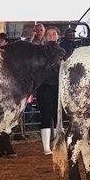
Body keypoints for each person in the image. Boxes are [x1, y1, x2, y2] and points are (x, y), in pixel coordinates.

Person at [36, 26, 61, 155]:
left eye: (54, 34)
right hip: (44, 85)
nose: (51, 36)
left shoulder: (62, 52)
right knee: (45, 115)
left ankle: (57, 144)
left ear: (58, 36)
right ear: (45, 36)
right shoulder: (40, 51)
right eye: (49, 34)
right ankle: (46, 147)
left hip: (58, 85)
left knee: (58, 116)